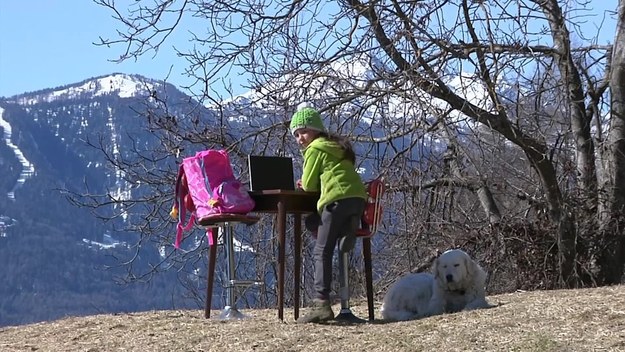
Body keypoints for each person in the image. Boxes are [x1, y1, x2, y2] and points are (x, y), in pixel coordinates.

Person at [289, 102, 367, 323]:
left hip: (335, 200)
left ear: (315, 129)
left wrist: (302, 183)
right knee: (313, 220)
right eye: (296, 134)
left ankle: (321, 304)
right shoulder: (337, 147)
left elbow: (311, 186)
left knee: (321, 251)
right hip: (356, 199)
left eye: (303, 131)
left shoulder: (314, 149)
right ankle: (345, 231)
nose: (300, 138)